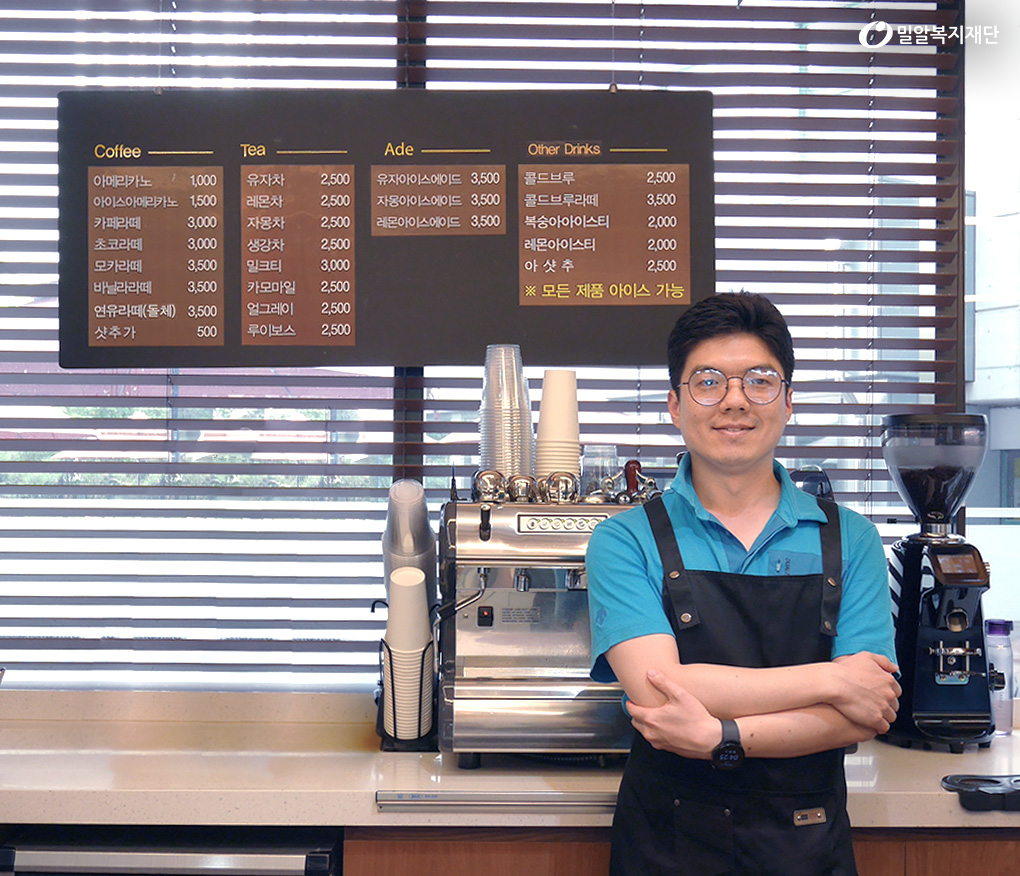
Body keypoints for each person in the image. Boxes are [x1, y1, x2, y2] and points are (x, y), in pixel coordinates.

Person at [586, 292, 900, 876]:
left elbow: (865, 712)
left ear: (788, 401)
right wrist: (832, 679)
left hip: (808, 847)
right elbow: (660, 691)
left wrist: (719, 734)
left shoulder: (850, 539)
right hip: (665, 848)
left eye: (759, 381)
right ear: (675, 405)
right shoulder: (625, 539)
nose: (734, 400)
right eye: (709, 382)